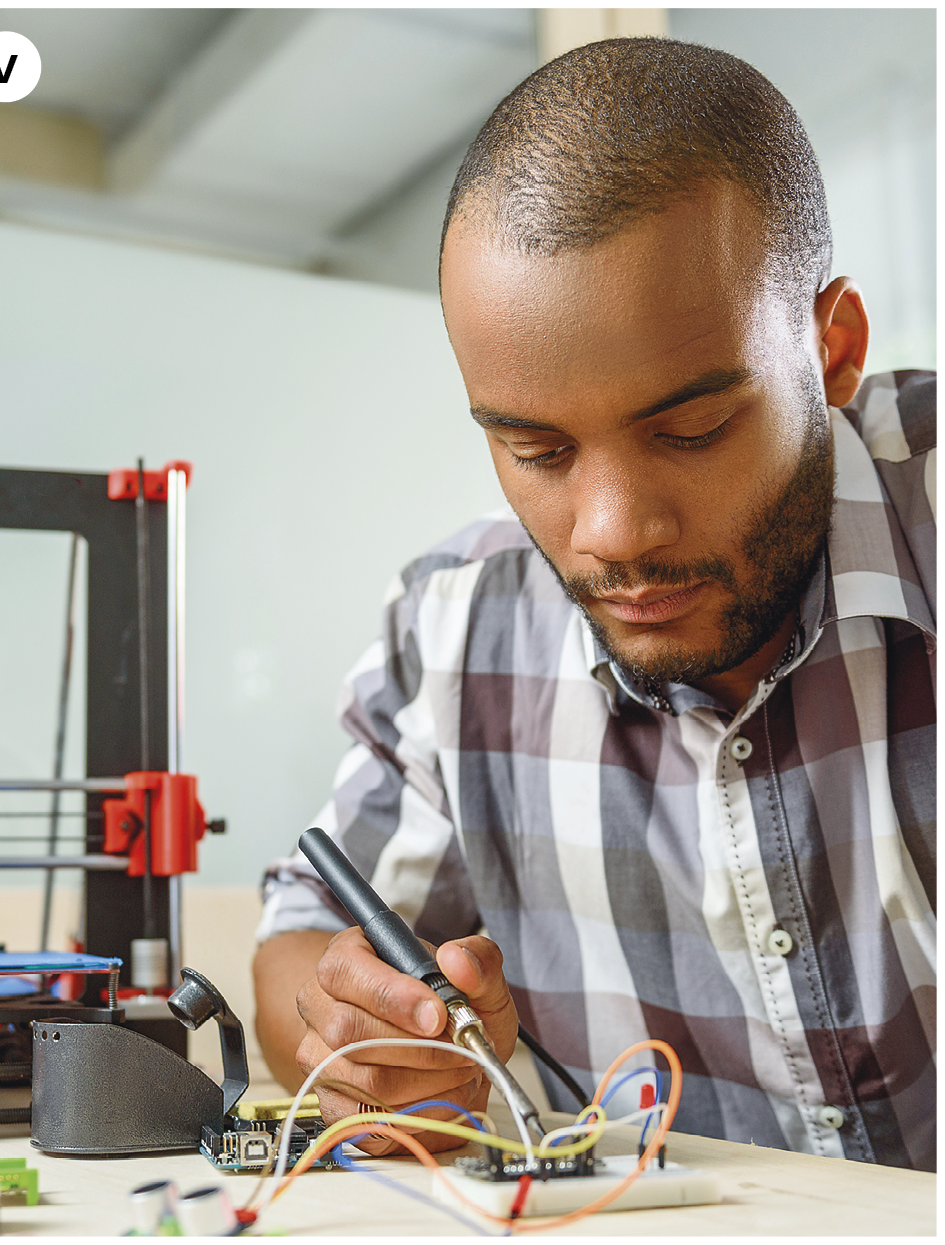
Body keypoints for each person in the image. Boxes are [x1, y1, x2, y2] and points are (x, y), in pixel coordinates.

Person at [252, 37, 935, 1171]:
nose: (613, 532)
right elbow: (297, 952)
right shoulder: (453, 633)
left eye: (691, 429)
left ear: (832, 348)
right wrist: (358, 1033)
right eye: (538, 449)